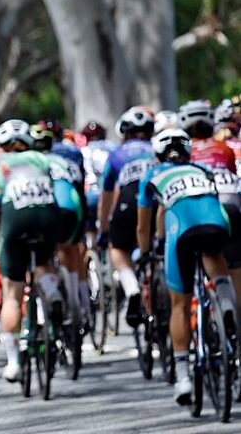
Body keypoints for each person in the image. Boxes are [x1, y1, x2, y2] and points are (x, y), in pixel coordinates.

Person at [137, 128, 239, 405]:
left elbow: (144, 226)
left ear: (159, 155)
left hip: (181, 230)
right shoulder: (202, 169)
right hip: (217, 222)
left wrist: (146, 252)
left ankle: (182, 377)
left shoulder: (152, 175)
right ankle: (225, 302)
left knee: (179, 305)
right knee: (213, 253)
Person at [0, 119, 62, 383]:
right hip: (47, 214)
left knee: (12, 293)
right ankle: (51, 290)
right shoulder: (41, 159)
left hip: (15, 219)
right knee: (44, 264)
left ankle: (14, 362)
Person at [180, 100, 241, 314]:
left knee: (207, 250)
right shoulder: (224, 148)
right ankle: (234, 314)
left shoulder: (185, 151)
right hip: (232, 203)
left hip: (206, 207)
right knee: (235, 265)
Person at [98, 107, 156, 329]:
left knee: (118, 249)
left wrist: (104, 230)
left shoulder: (116, 154)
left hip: (129, 199)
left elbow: (106, 197)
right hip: (157, 200)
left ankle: (132, 288)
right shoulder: (157, 148)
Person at [31, 124, 86, 323]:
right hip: (73, 206)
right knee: (69, 248)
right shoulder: (63, 160)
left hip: (47, 209)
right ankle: (76, 301)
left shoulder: (32, 162)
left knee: (40, 258)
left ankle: (50, 296)